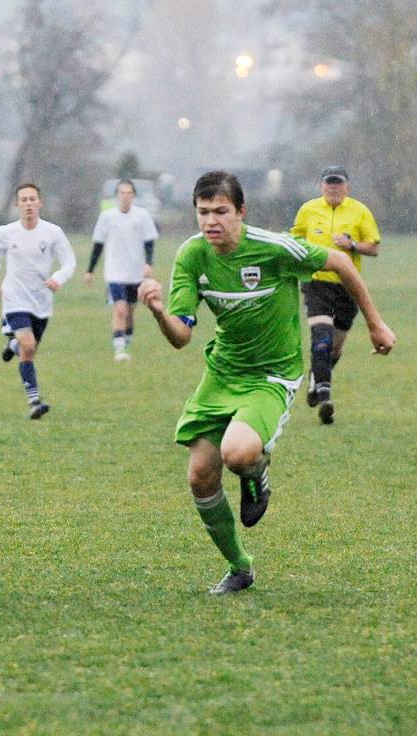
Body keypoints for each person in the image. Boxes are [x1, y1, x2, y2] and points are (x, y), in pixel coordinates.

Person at [137, 171, 395, 595]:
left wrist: (376, 324)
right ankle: (240, 568)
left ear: (241, 211)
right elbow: (181, 337)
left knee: (237, 454)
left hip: (272, 373)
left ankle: (256, 469)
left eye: (221, 211)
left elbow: (342, 262)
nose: (211, 221)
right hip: (223, 373)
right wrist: (159, 312)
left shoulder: (274, 248)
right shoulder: (192, 256)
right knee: (200, 475)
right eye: (203, 213)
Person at [290, 166, 382, 424]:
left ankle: (315, 380)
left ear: (347, 187)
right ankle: (325, 396)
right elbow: (294, 240)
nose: (333, 188)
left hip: (347, 287)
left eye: (338, 184)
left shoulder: (360, 211)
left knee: (335, 346)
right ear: (321, 187)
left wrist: (352, 244)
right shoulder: (308, 210)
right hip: (316, 283)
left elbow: (373, 248)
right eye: (328, 184)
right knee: (321, 338)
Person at [0, 183, 76, 418]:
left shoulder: (53, 232)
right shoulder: (6, 232)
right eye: (23, 200)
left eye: (32, 199)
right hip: (14, 298)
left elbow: (69, 262)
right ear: (17, 204)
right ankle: (34, 401)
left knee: (28, 347)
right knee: (29, 347)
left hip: (42, 301)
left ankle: (12, 345)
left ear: (39, 203)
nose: (28, 204)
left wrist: (58, 278)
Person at [84, 178, 159, 361]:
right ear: (117, 196)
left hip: (135, 273)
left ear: (133, 195)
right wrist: (90, 270)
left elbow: (149, 241)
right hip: (114, 272)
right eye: (121, 193)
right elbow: (98, 245)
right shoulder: (107, 217)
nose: (125, 197)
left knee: (131, 311)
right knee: (120, 309)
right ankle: (119, 350)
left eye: (128, 193)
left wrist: (148, 263)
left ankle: (126, 343)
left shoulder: (142, 216)